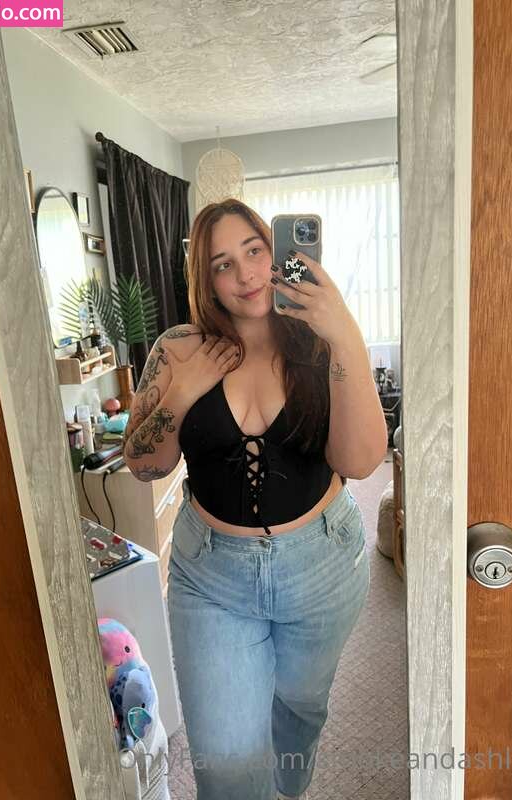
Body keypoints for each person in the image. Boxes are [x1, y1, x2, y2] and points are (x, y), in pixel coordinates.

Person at [124, 199, 388, 800]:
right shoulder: (177, 348)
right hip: (211, 577)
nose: (245, 274)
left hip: (323, 565)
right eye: (223, 264)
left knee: (299, 708)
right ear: (206, 280)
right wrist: (184, 391)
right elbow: (143, 463)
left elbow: (359, 462)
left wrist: (345, 334)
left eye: (254, 251)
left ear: (276, 251)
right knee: (226, 764)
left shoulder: (318, 340)